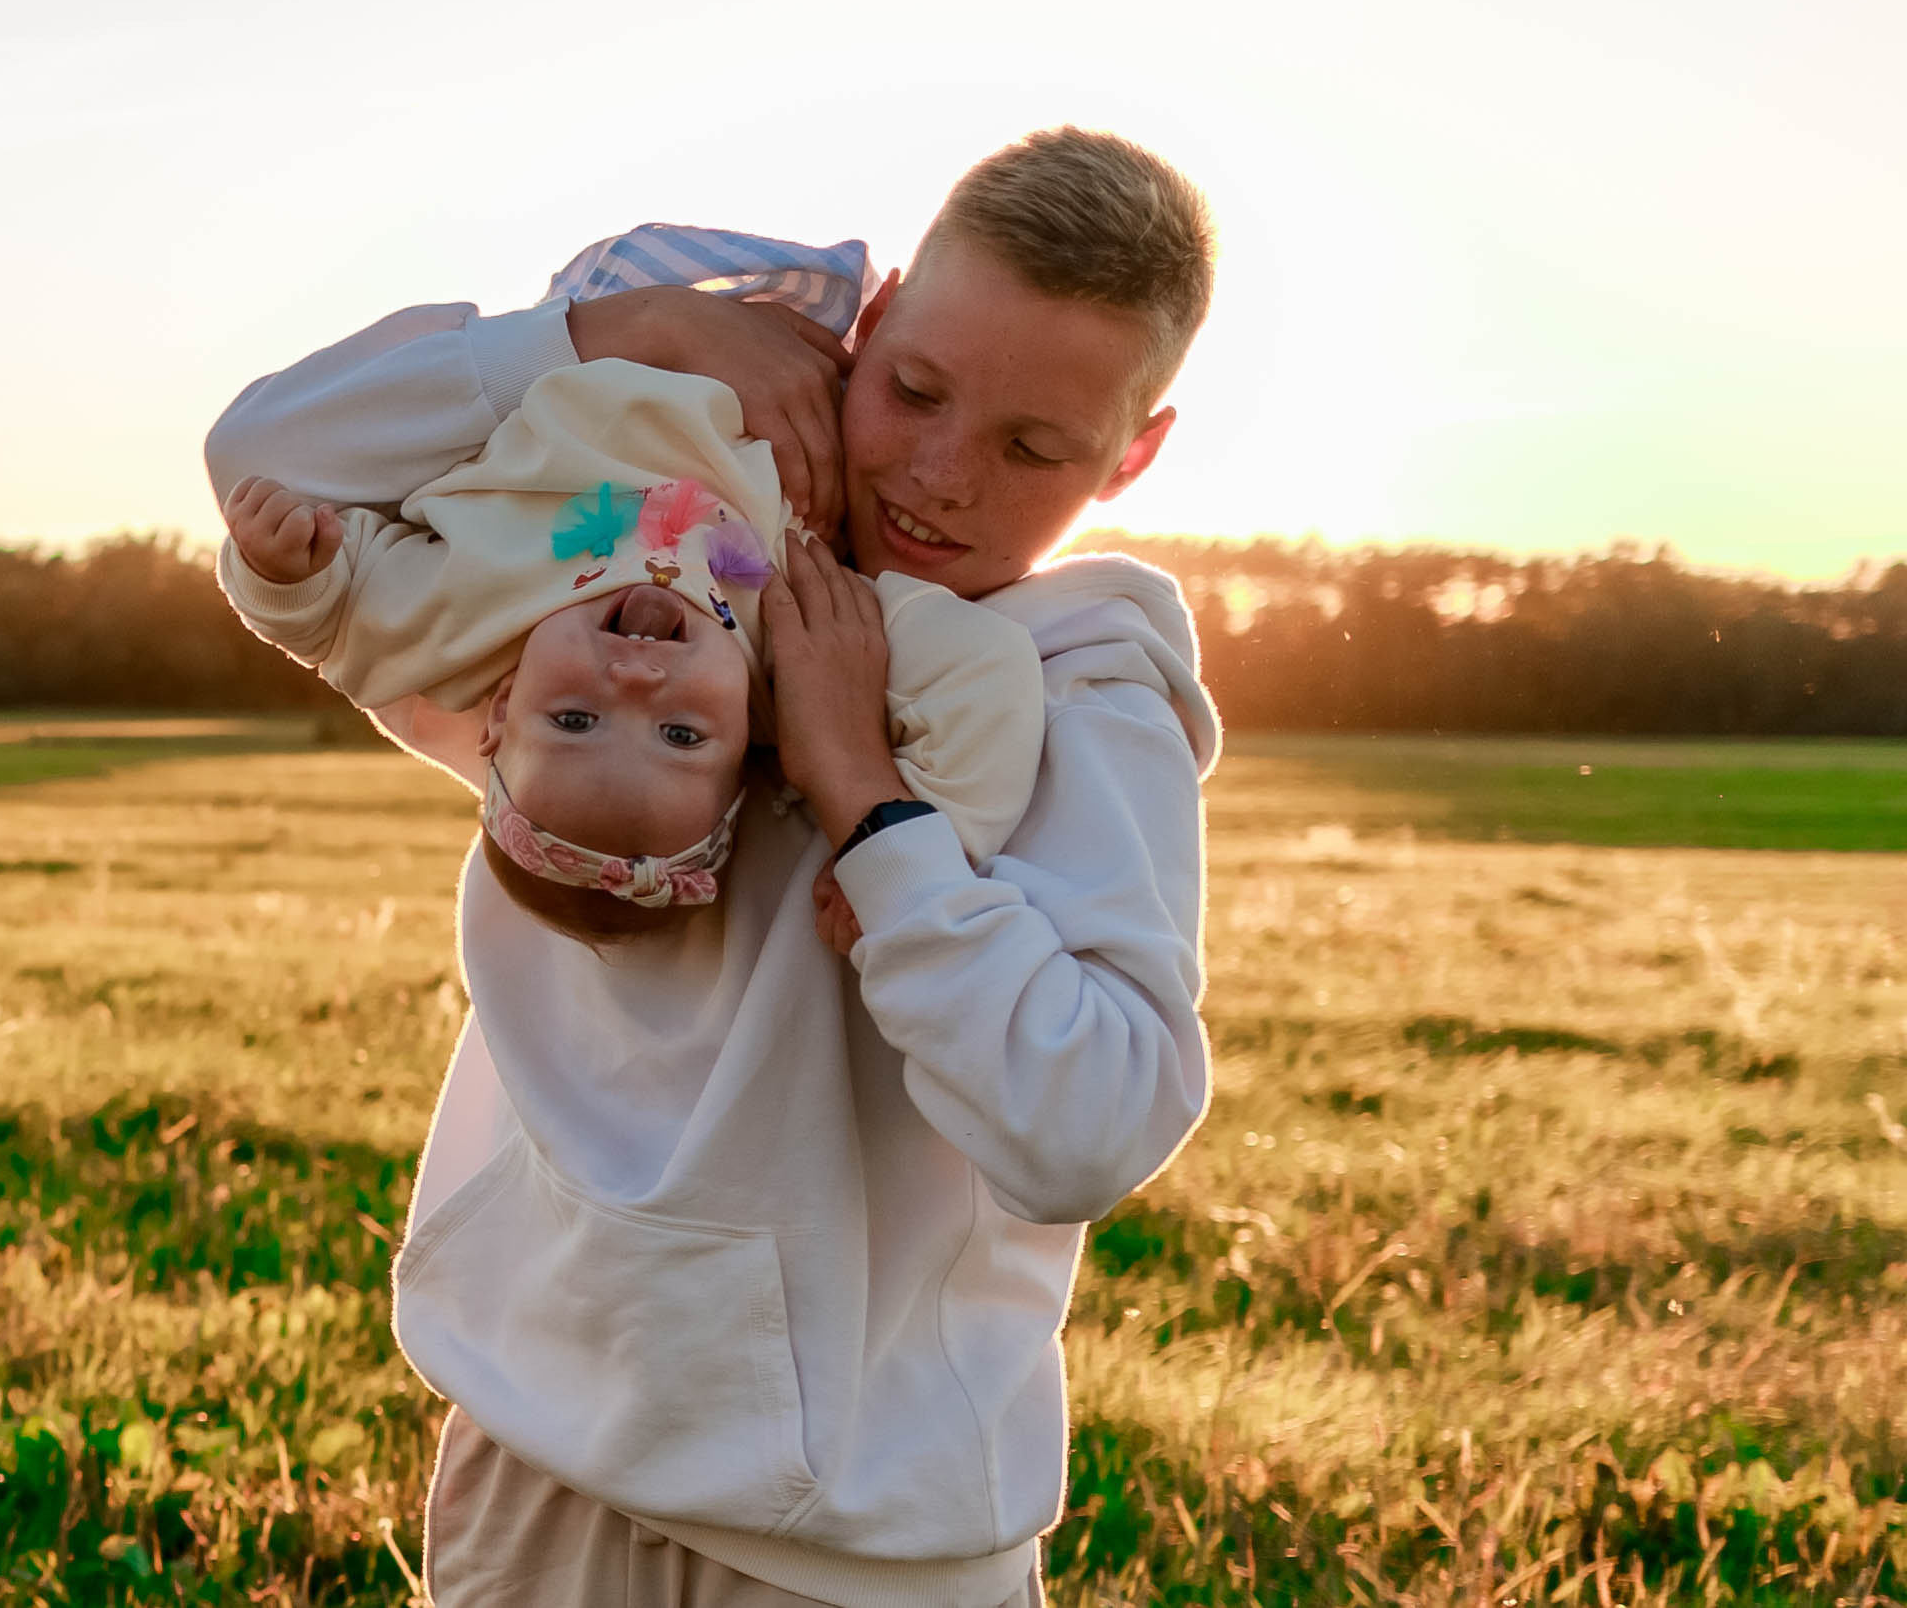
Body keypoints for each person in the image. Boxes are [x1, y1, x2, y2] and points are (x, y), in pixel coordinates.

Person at [204, 126, 1221, 1607]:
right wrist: (633, 330)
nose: (939, 475)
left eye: (1031, 447)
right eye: (914, 389)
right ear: (868, 319)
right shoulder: (642, 570)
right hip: (536, 1468)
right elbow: (266, 463)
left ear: (1132, 454)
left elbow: (1095, 1123)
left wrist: (869, 800)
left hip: (863, 1552)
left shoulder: (1083, 695)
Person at [214, 351, 1047, 944]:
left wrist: (284, 570)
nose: (638, 680)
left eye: (574, 719)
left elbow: (332, 619)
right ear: (751, 751)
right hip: (783, 357)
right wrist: (903, 844)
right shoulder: (798, 642)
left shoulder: (460, 622)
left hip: (601, 325)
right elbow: (988, 674)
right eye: (682, 736)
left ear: (500, 710)